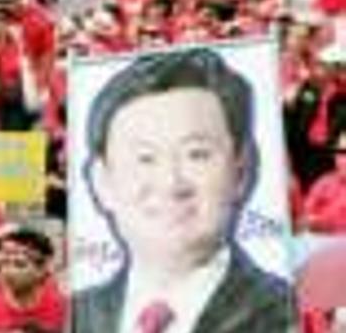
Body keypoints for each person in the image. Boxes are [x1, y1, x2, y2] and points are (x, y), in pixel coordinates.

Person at [71, 48, 295, 333]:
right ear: (101, 182)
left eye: (196, 154)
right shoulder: (76, 316)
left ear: (241, 171)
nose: (171, 182)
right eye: (145, 158)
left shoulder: (286, 313)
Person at [0, 225, 67, 333]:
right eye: (7, 263)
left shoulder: (63, 308)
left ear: (41, 270)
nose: (10, 271)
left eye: (20, 264)